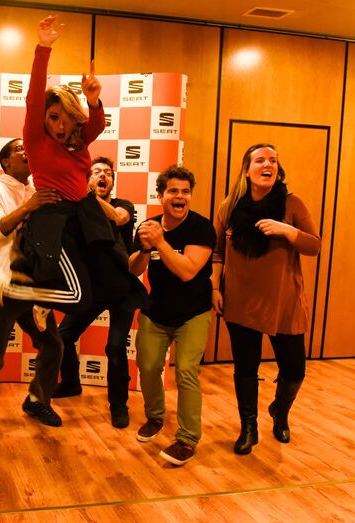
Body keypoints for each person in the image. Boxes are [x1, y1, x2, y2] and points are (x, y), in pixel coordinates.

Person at [0, 16, 132, 322]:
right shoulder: (35, 139)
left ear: (74, 117)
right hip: (53, 220)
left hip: (81, 216)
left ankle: (42, 298)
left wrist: (93, 99)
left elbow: (96, 124)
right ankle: (17, 290)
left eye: (65, 117)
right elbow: (34, 98)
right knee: (79, 299)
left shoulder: (79, 141)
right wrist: (43, 47)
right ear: (44, 118)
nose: (59, 124)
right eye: (53, 117)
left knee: (106, 281)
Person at [211, 143, 321, 455]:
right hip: (240, 300)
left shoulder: (292, 204)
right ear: (247, 170)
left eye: (272, 160)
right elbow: (217, 252)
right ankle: (249, 426)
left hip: (284, 302)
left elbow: (314, 246)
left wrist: (287, 231)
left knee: (295, 369)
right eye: (260, 160)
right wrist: (216, 288)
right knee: (246, 367)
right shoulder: (228, 207)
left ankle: (280, 411)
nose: (267, 164)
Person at [0, 138, 65, 449]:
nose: (27, 152)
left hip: (34, 287)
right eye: (20, 149)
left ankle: (36, 399)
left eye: (27, 147)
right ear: (5, 162)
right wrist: (28, 207)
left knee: (53, 345)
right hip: (2, 288)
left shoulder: (36, 190)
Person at [129, 166, 216, 466]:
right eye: (173, 191)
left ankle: (188, 438)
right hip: (156, 311)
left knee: (186, 372)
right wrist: (143, 248)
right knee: (148, 366)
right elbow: (134, 269)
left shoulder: (201, 228)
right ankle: (155, 417)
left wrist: (161, 243)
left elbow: (188, 271)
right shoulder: (149, 225)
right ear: (161, 196)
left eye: (185, 191)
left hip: (193, 312)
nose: (180, 197)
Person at [53, 157, 139, 429]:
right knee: (63, 336)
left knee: (115, 347)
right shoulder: (77, 210)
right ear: (87, 178)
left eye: (107, 173)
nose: (102, 176)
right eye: (96, 172)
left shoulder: (121, 205)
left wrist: (87, 195)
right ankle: (70, 383)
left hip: (122, 289)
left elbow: (118, 218)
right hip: (92, 289)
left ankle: (118, 405)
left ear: (112, 181)